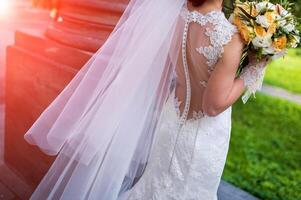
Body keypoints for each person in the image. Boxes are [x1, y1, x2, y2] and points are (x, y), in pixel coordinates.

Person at [24, 0, 269, 199]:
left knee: (154, 186)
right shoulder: (231, 38)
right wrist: (254, 70)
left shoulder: (176, 16)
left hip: (171, 121)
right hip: (201, 137)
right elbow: (213, 105)